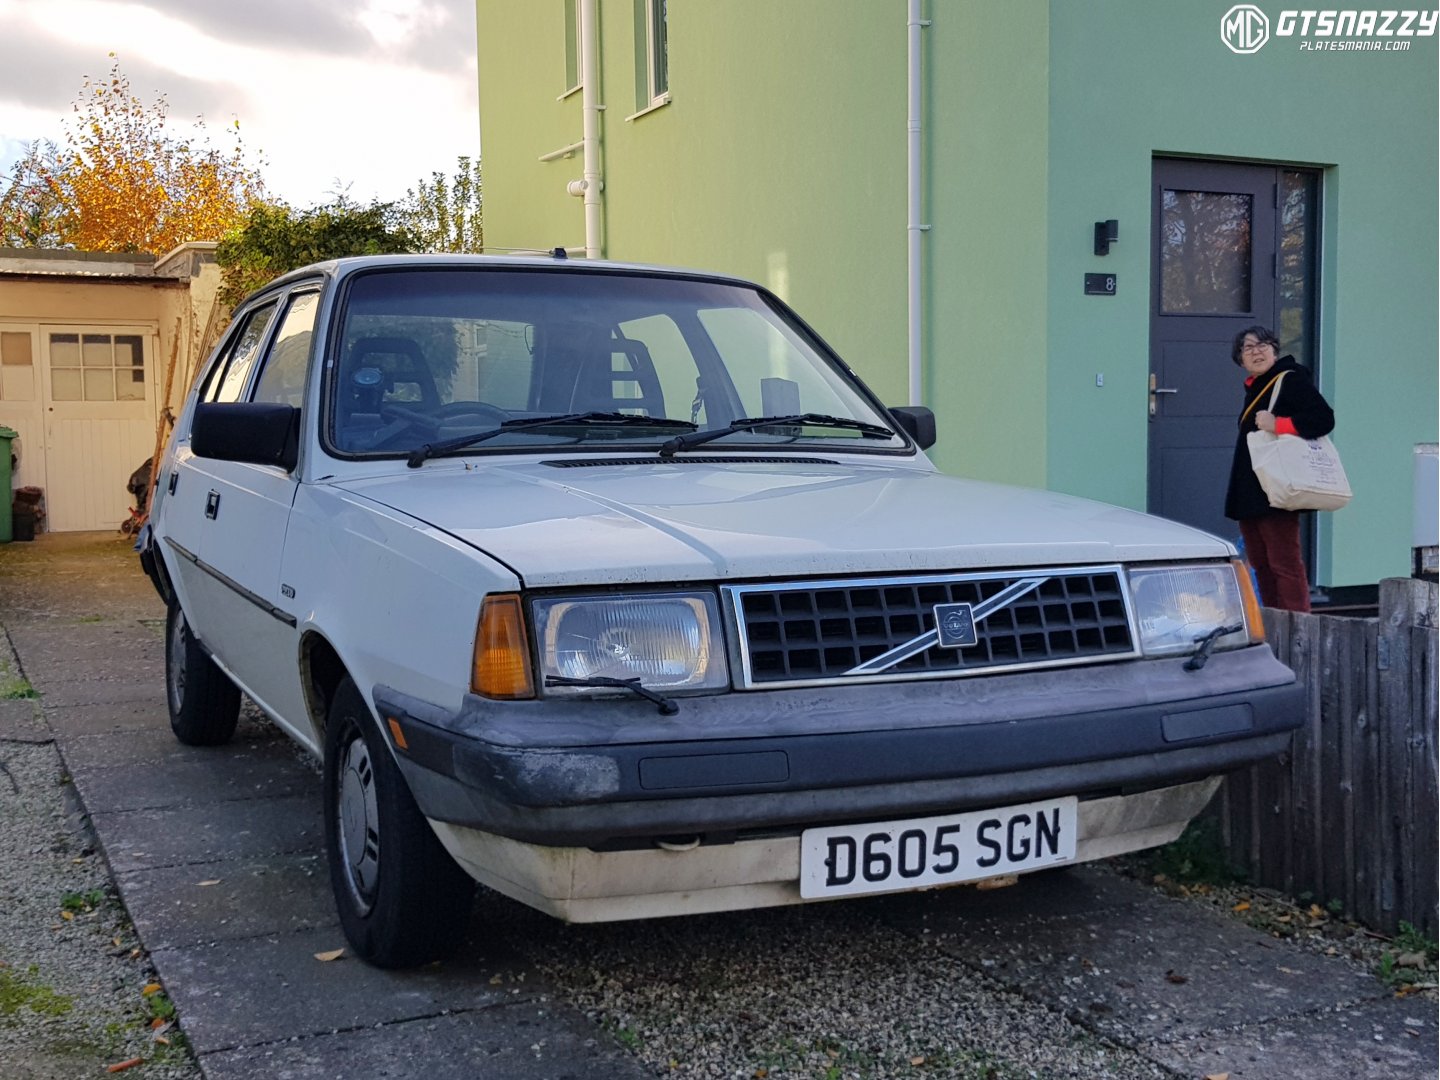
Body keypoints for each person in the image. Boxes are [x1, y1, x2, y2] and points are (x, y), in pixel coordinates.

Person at [1224, 326, 1335, 613]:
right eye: (1248, 348)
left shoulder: (1289, 379)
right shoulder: (1257, 387)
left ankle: (1299, 628)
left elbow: (1323, 419)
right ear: (1240, 360)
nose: (1256, 351)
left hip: (1276, 488)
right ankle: (1274, 625)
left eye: (1263, 345)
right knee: (1261, 564)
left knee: (1284, 563)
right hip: (1251, 491)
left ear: (1275, 350)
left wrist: (1279, 424)